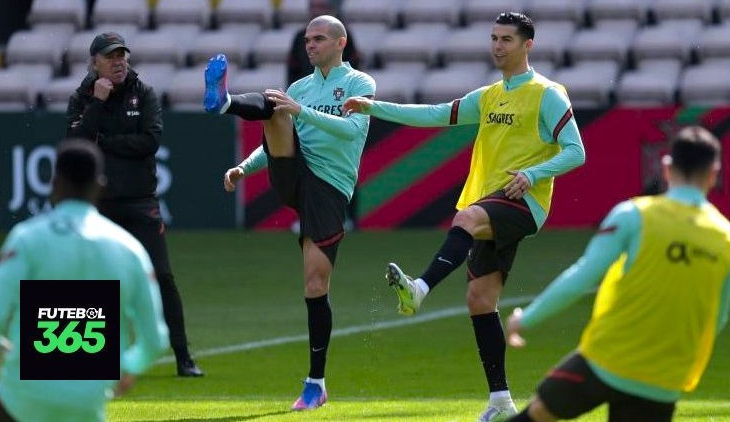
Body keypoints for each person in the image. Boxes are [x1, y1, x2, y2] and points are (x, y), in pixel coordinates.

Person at [343, 12, 585, 422]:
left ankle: (419, 288)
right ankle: (501, 402)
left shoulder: (548, 94)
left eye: (506, 39)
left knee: (466, 220)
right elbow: (436, 113)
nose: (497, 46)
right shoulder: (490, 95)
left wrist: (532, 174)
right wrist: (373, 107)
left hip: (523, 202)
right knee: (479, 301)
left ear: (528, 45)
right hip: (490, 200)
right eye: (493, 38)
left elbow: (576, 151)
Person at [203, 14, 375, 410]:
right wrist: (243, 168)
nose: (310, 45)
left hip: (329, 189)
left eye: (318, 39)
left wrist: (299, 111)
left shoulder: (359, 84)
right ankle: (224, 102)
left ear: (340, 43)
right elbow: (275, 140)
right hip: (293, 171)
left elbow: (351, 131)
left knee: (315, 285)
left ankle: (316, 383)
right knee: (274, 103)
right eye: (307, 40)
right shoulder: (299, 87)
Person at [504, 125, 730, 422]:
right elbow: (718, 317)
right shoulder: (725, 238)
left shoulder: (634, 215)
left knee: (539, 413)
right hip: (664, 377)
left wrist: (526, 318)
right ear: (714, 174)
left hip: (607, 359)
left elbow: (582, 276)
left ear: (666, 166)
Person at [0, 139, 169, 422]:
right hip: (85, 407)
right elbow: (154, 340)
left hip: (21, 401)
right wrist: (128, 366)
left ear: (54, 183)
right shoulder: (129, 250)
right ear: (100, 185)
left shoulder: (28, 238)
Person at [65, 32, 203, 377]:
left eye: (122, 56)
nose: (119, 62)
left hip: (141, 201)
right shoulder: (82, 97)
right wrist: (96, 104)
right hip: (98, 206)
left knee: (162, 276)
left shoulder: (143, 93)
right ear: (94, 62)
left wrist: (104, 141)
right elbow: (78, 147)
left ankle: (184, 357)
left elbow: (149, 141)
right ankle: (87, 357)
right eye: (111, 57)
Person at [287, 0, 361, 231]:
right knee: (306, 164)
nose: (311, 45)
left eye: (320, 7)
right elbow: (291, 69)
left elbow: (356, 67)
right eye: (313, 7)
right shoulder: (299, 37)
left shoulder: (341, 35)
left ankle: (347, 217)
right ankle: (307, 216)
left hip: (337, 108)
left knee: (342, 161)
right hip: (307, 105)